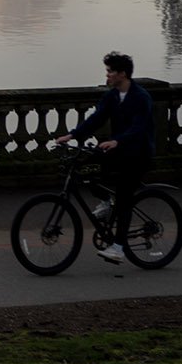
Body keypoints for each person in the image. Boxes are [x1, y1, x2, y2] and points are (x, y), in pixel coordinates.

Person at [56, 50, 153, 264]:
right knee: (85, 165)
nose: (107, 76)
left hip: (138, 154)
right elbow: (96, 119)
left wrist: (118, 141)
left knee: (125, 198)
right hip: (119, 150)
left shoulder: (141, 97)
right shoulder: (111, 96)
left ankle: (118, 248)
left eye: (110, 72)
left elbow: (139, 128)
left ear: (123, 74)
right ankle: (107, 200)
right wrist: (73, 134)